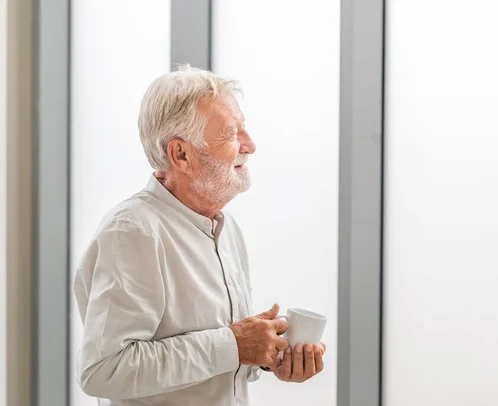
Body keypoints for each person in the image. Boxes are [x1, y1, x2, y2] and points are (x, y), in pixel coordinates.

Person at [73, 65, 326, 406]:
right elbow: (104, 371)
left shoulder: (225, 228)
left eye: (244, 130)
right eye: (232, 134)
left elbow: (220, 361)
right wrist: (234, 344)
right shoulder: (133, 232)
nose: (250, 146)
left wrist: (269, 354)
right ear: (181, 154)